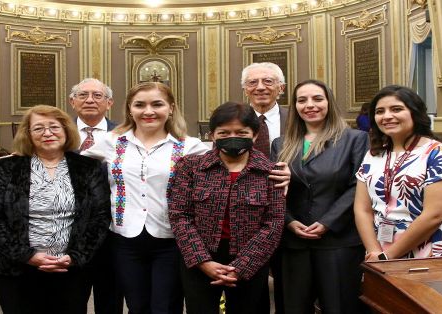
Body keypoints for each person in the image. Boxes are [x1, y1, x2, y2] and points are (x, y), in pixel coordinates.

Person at [82, 82, 208, 314]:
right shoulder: (112, 142)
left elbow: (229, 165)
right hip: (124, 238)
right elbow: (68, 160)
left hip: (170, 240)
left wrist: (278, 171)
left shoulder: (190, 146)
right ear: (130, 109)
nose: (148, 111)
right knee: (137, 305)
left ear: (170, 108)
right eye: (140, 105)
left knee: (165, 307)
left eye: (157, 104)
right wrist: (22, 155)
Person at [0, 105, 111, 314]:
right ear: (28, 135)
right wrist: (27, 255)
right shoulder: (6, 168)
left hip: (71, 268)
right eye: (38, 128)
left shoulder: (87, 167)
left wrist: (76, 255)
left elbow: (100, 217)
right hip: (16, 268)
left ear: (66, 130)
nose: (47, 133)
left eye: (54, 127)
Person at [169, 101, 285, 314]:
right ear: (212, 135)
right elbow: (180, 215)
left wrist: (242, 267)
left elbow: (274, 223)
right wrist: (203, 261)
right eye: (224, 132)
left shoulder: (271, 171)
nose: (233, 137)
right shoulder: (190, 167)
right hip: (200, 257)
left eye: (241, 132)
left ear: (255, 135)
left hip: (251, 258)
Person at [272, 79, 369, 314]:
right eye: (302, 100)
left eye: (317, 98)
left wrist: (327, 222)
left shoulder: (354, 139)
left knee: (340, 307)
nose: (310, 105)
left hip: (338, 241)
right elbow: (273, 190)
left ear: (329, 102)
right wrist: (290, 222)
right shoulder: (281, 143)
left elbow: (358, 186)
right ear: (294, 106)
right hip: (294, 242)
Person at [354, 85, 442, 263]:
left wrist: (388, 256)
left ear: (415, 113)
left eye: (396, 109)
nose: (387, 116)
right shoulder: (373, 154)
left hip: (428, 250)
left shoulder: (439, 153)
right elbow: (362, 209)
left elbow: (436, 215)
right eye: (380, 111)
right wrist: (375, 253)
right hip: (379, 249)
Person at [69, 77, 124, 314]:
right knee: (71, 299)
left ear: (109, 102)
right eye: (83, 95)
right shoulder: (57, 133)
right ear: (72, 102)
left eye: (97, 95)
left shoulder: (124, 135)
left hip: (112, 231)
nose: (90, 100)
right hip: (69, 232)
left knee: (110, 298)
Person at [241, 62, 288, 313]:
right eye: (252, 83)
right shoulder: (234, 119)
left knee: (290, 286)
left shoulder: (297, 120)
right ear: (245, 89)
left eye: (268, 82)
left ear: (281, 87)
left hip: (289, 212)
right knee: (251, 287)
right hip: (246, 214)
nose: (260, 87)